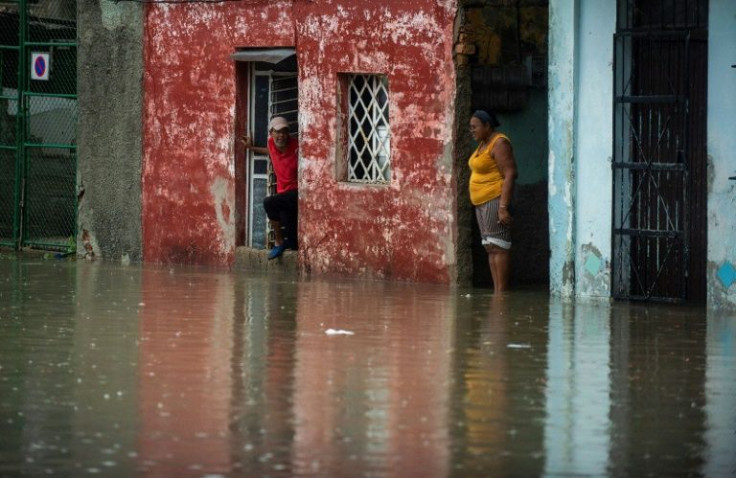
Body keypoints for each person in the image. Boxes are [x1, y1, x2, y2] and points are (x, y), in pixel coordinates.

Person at [468, 110, 518, 293]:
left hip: (495, 200)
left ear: (487, 125)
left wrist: (503, 207)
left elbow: (510, 173)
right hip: (482, 203)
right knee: (490, 246)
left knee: (499, 246)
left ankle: (502, 293)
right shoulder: (483, 144)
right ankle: (497, 292)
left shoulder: (499, 143)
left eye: (474, 127)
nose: (471, 131)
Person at [242, 116, 298, 260]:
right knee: (293, 241)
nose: (281, 136)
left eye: (284, 132)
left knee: (269, 202)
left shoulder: (297, 147)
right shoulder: (271, 144)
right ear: (271, 133)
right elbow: (268, 151)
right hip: (283, 193)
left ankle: (278, 242)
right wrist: (250, 148)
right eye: (277, 132)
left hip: (296, 193)